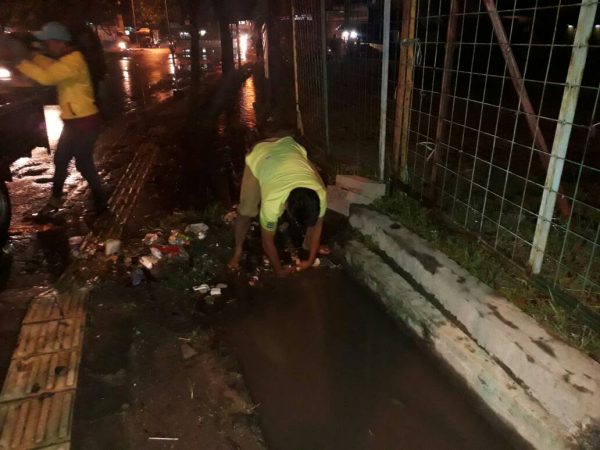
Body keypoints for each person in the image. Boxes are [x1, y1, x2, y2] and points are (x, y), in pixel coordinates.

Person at [13, 22, 106, 215]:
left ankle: (101, 200)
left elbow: (48, 77)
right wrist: (33, 57)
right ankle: (55, 201)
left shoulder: (74, 61)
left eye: (47, 43)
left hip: (85, 122)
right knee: (61, 160)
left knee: (83, 163)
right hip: (73, 122)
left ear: (58, 42)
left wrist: (21, 62)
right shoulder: (67, 59)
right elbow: (52, 66)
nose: (46, 47)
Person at [229, 119, 328, 277]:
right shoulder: (272, 204)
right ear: (286, 205)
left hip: (291, 148)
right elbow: (267, 242)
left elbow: (318, 227)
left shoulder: (319, 193)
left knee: (314, 217)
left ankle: (309, 245)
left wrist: (310, 260)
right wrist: (279, 270)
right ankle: (238, 250)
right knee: (247, 210)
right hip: (261, 155)